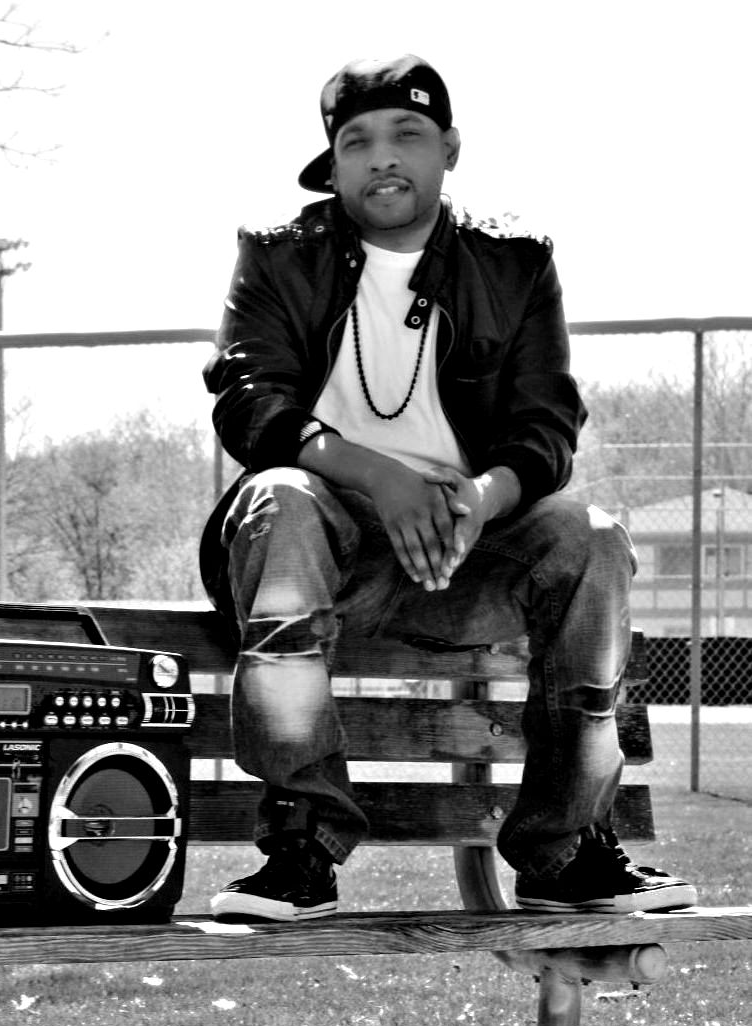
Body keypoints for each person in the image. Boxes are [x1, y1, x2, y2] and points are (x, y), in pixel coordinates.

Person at [199, 54, 697, 922]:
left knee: (590, 534)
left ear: (450, 149)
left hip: (469, 557)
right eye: (357, 141)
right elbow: (249, 399)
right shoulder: (278, 257)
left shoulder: (513, 264)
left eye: (408, 134)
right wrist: (378, 474)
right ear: (333, 165)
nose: (382, 157)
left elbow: (546, 423)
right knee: (282, 498)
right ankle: (302, 844)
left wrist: (481, 499)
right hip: (323, 555)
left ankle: (565, 849)